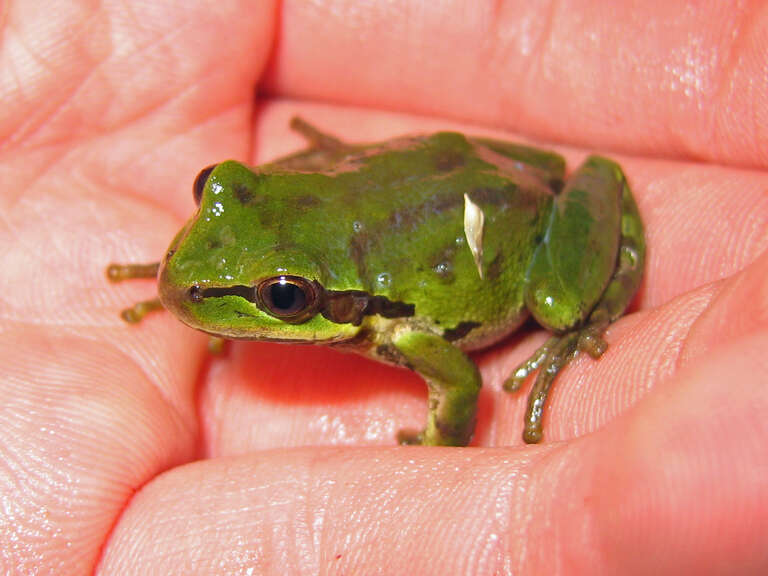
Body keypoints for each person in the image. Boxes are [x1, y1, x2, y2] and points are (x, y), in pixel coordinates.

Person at [1, 1, 766, 573]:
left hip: (518, 229)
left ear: (337, 306)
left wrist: (441, 443)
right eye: (214, 190)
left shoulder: (405, 333)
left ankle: (584, 314)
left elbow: (462, 381)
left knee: (558, 304)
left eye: (285, 298)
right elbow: (287, 208)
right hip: (433, 180)